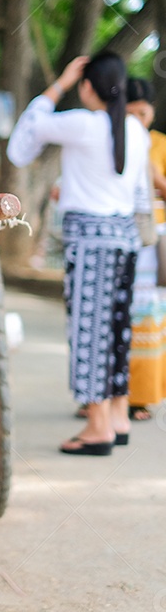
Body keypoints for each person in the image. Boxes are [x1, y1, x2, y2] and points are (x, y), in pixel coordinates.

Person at [7, 50, 148, 455]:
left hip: (90, 242)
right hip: (125, 241)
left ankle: (97, 428)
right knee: (117, 331)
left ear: (89, 86)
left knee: (89, 333)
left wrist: (60, 83)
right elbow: (138, 194)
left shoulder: (83, 124)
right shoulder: (134, 130)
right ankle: (117, 417)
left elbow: (22, 143)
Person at [125, 77, 166, 421]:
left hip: (152, 248)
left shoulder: (160, 145)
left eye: (143, 112)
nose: (138, 119)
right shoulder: (113, 137)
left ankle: (142, 397)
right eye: (131, 112)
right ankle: (102, 397)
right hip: (118, 236)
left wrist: (155, 177)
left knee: (146, 319)